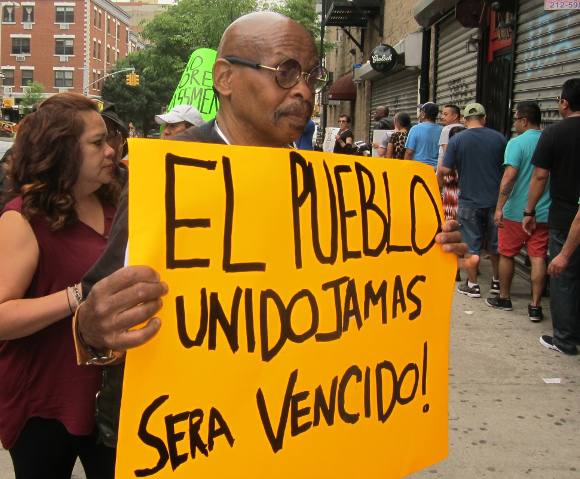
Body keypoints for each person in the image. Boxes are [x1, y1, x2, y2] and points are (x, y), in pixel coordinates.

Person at [73, 11, 470, 452]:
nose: (304, 90)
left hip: (289, 430)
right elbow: (99, 306)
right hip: (188, 440)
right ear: (225, 78)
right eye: (285, 72)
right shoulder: (172, 173)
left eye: (312, 76)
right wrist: (91, 329)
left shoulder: (327, 186)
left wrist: (427, 254)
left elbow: (353, 300)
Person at [0, 93, 119, 478]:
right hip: (45, 402)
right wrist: (80, 294)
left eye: (109, 140)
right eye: (97, 143)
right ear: (61, 151)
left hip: (114, 398)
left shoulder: (117, 205)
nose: (111, 150)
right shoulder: (22, 219)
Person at [523, 78, 580, 355]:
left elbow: (540, 176)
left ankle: (565, 339)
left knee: (563, 277)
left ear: (565, 103)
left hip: (564, 218)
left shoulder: (554, 133)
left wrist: (529, 211)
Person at [486, 102, 548, 321]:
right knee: (538, 256)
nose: (514, 124)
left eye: (515, 120)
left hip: (515, 212)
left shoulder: (516, 143)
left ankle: (504, 297)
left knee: (507, 254)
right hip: (544, 211)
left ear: (524, 120)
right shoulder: (549, 140)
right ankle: (535, 306)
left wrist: (499, 208)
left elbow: (510, 176)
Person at [440, 103, 507, 298]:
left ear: (464, 119)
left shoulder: (457, 139)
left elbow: (445, 169)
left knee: (470, 243)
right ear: (484, 118)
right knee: (496, 245)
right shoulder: (500, 138)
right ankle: (497, 282)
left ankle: (473, 285)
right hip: (496, 201)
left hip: (469, 201)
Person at [404, 102, 443, 169]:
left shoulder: (416, 129)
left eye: (420, 112)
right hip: (435, 170)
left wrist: (405, 168)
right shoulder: (442, 130)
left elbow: (409, 152)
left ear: (423, 115)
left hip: (419, 169)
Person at [436, 104, 463, 189]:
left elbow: (446, 152)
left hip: (448, 175)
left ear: (455, 116)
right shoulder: (465, 129)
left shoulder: (447, 129)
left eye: (445, 114)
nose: (442, 117)